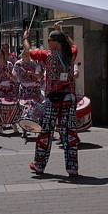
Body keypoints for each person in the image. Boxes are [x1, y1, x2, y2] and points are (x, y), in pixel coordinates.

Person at [25, 23, 79, 177]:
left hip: (52, 99)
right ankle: (72, 167)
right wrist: (63, 33)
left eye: (49, 40)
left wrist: (26, 38)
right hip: (68, 97)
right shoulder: (70, 54)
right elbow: (74, 45)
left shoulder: (47, 55)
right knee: (69, 132)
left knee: (46, 132)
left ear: (53, 42)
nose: (48, 42)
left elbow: (28, 51)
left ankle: (39, 165)